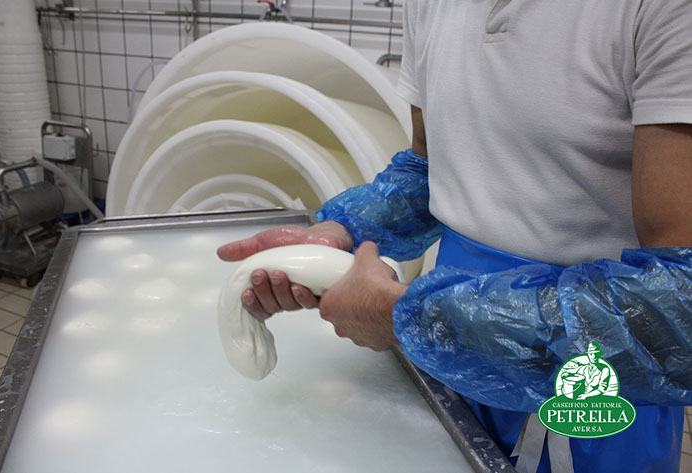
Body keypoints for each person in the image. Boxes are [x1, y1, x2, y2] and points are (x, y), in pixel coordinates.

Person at [218, 1, 692, 471]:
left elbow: (676, 310)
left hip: (589, 388)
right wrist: (342, 231)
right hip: (447, 366)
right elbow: (433, 170)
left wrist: (407, 317)